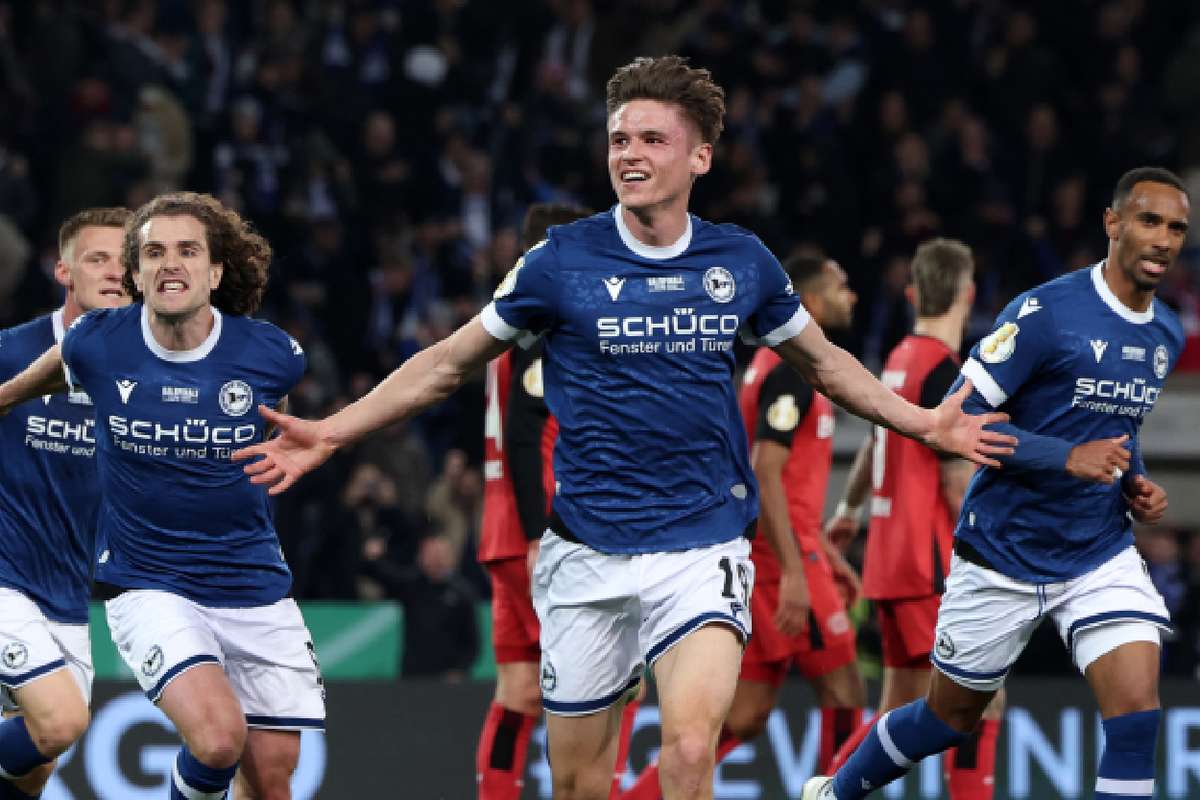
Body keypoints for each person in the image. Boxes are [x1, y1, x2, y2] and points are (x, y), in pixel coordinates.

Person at [234, 56, 1013, 800]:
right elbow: (446, 363)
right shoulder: (558, 262)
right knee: (579, 783)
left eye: (651, 139)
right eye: (618, 139)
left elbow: (827, 364)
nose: (629, 154)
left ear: (700, 156)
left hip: (703, 547)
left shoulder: (740, 262)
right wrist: (332, 431)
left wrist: (924, 423)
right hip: (587, 557)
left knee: (689, 750)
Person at [802, 167, 1188, 800]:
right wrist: (1065, 457)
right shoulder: (1046, 313)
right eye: (1149, 221)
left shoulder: (1166, 332)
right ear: (1113, 223)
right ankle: (835, 792)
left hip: (1098, 552)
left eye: (1176, 228)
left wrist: (1135, 482)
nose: (1163, 239)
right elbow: (955, 420)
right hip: (1002, 551)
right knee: (946, 719)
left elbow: (1121, 426)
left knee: (1136, 717)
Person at [0, 192, 324, 800]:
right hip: (146, 580)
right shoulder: (96, 343)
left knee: (271, 776)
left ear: (216, 270)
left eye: (187, 251)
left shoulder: (271, 354)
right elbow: (36, 379)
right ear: (138, 273)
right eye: (154, 253)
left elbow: (277, 422)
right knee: (217, 740)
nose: (170, 263)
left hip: (251, 580)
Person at [620, 253, 867, 800]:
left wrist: (826, 554)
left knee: (747, 713)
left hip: (779, 550)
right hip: (784, 558)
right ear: (812, 301)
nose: (851, 296)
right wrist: (800, 572)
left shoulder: (770, 364)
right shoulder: (793, 371)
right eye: (841, 286)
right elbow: (766, 472)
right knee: (845, 692)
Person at [823, 239, 1005, 799]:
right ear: (968, 294)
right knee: (982, 697)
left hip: (888, 560)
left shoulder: (899, 359)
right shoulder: (947, 373)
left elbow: (874, 442)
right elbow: (955, 483)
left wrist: (849, 508)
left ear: (912, 294)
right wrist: (997, 557)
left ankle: (825, 790)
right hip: (929, 564)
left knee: (897, 706)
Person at [476, 202, 644, 800]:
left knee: (520, 689)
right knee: (615, 684)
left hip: (503, 529)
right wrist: (535, 536)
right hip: (548, 534)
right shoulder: (546, 325)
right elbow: (526, 433)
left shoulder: (505, 325)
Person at [0, 208, 130, 799]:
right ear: (64, 271)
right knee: (62, 722)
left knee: (37, 764)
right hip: (6, 579)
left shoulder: (148, 374)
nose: (114, 272)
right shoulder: (11, 352)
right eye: (98, 259)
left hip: (68, 594)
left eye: (126, 262)